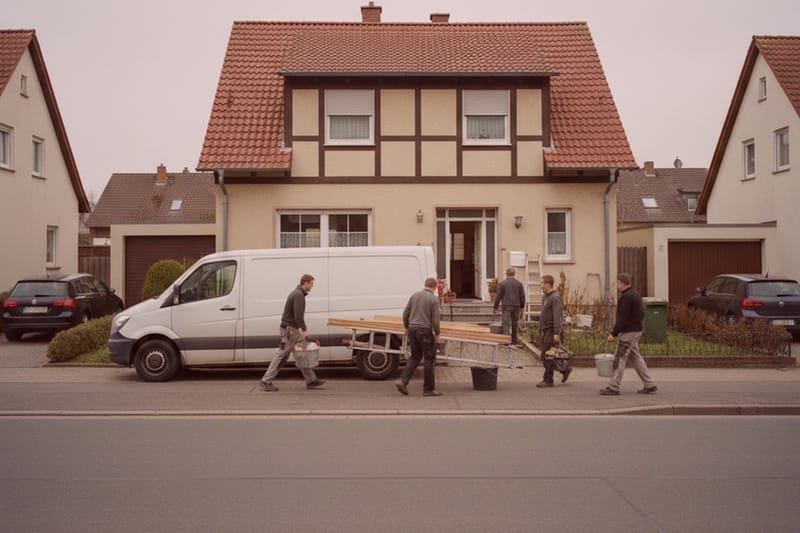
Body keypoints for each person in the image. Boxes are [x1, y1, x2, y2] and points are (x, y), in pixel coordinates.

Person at [258, 274, 327, 392]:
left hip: (291, 330)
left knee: (301, 354)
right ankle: (265, 381)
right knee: (281, 355)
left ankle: (311, 380)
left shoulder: (297, 293)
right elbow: (298, 316)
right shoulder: (298, 295)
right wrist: (305, 330)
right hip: (290, 330)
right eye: (311, 283)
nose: (312, 286)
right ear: (305, 283)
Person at [601, 273, 657, 396]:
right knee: (636, 358)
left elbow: (622, 318)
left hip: (628, 333)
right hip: (636, 330)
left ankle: (614, 387)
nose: (617, 286)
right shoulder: (636, 295)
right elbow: (642, 313)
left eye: (618, 283)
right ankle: (649, 384)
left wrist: (613, 333)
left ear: (621, 282)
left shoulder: (626, 297)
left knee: (619, 358)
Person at [395, 277, 442, 397]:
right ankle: (428, 390)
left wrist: (406, 327)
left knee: (415, 356)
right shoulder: (433, 299)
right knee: (429, 359)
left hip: (412, 330)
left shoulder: (414, 296)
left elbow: (405, 313)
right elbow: (435, 320)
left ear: (425, 284)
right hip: (424, 331)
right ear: (435, 287)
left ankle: (403, 381)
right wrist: (437, 334)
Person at [536, 274, 571, 387]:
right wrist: (540, 328)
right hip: (545, 330)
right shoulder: (545, 297)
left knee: (547, 355)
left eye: (542, 283)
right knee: (548, 355)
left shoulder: (555, 298)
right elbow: (543, 314)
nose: (540, 285)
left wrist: (557, 333)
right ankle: (565, 370)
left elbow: (558, 316)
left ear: (548, 284)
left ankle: (548, 380)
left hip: (552, 331)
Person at [494, 267, 526, 346]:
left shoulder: (502, 284)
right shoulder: (519, 284)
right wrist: (522, 306)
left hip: (506, 306)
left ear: (506, 274)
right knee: (515, 323)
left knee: (506, 323)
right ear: (514, 274)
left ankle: (506, 341)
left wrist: (495, 306)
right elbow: (522, 296)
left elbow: (498, 296)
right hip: (516, 306)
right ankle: (514, 341)